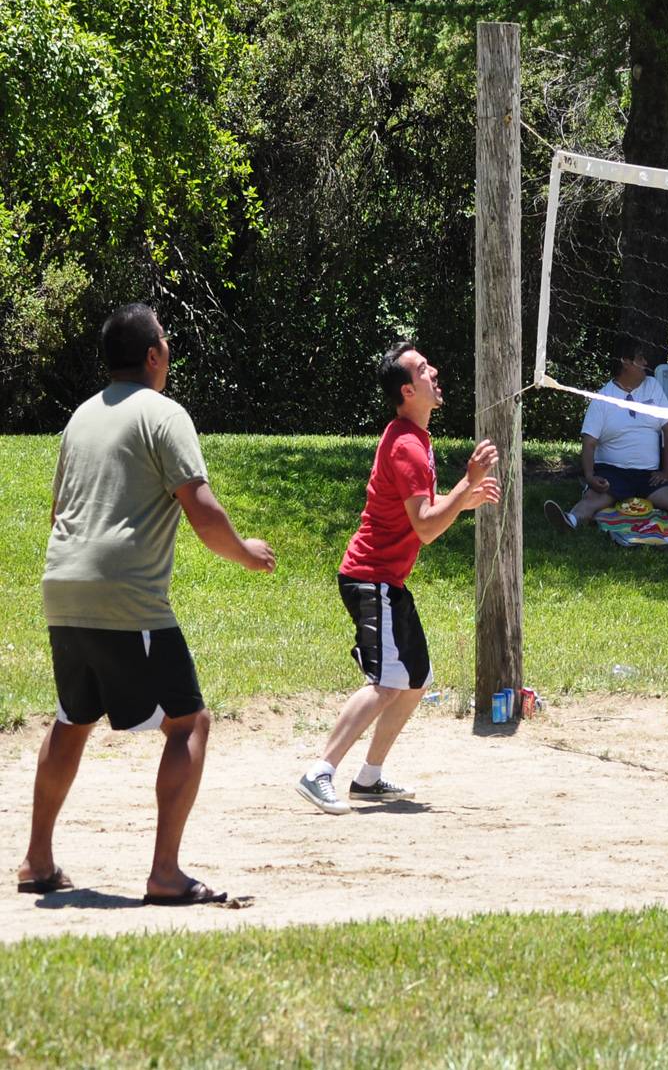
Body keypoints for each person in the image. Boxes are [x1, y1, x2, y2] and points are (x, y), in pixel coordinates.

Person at [20, 304, 275, 903]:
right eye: (166, 340)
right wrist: (245, 553)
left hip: (62, 585)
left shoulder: (82, 417)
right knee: (189, 722)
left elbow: (60, 511)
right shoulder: (164, 414)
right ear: (153, 355)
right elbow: (203, 511)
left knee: (72, 718)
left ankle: (37, 860)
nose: (169, 349)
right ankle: (164, 874)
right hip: (124, 594)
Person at [296, 344, 500, 814]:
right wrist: (468, 484)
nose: (434, 372)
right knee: (386, 681)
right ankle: (319, 771)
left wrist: (463, 496)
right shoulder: (407, 444)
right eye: (424, 369)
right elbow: (426, 527)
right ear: (408, 390)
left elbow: (421, 515)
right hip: (371, 578)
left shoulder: (413, 438)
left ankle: (368, 778)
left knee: (414, 681)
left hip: (387, 581)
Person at [544, 338, 668, 528]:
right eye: (640, 359)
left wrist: (667, 471)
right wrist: (590, 476)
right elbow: (589, 442)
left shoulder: (653, 386)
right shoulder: (602, 398)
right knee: (593, 499)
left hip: (648, 475)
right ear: (625, 361)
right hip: (613, 473)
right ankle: (570, 520)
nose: (646, 364)